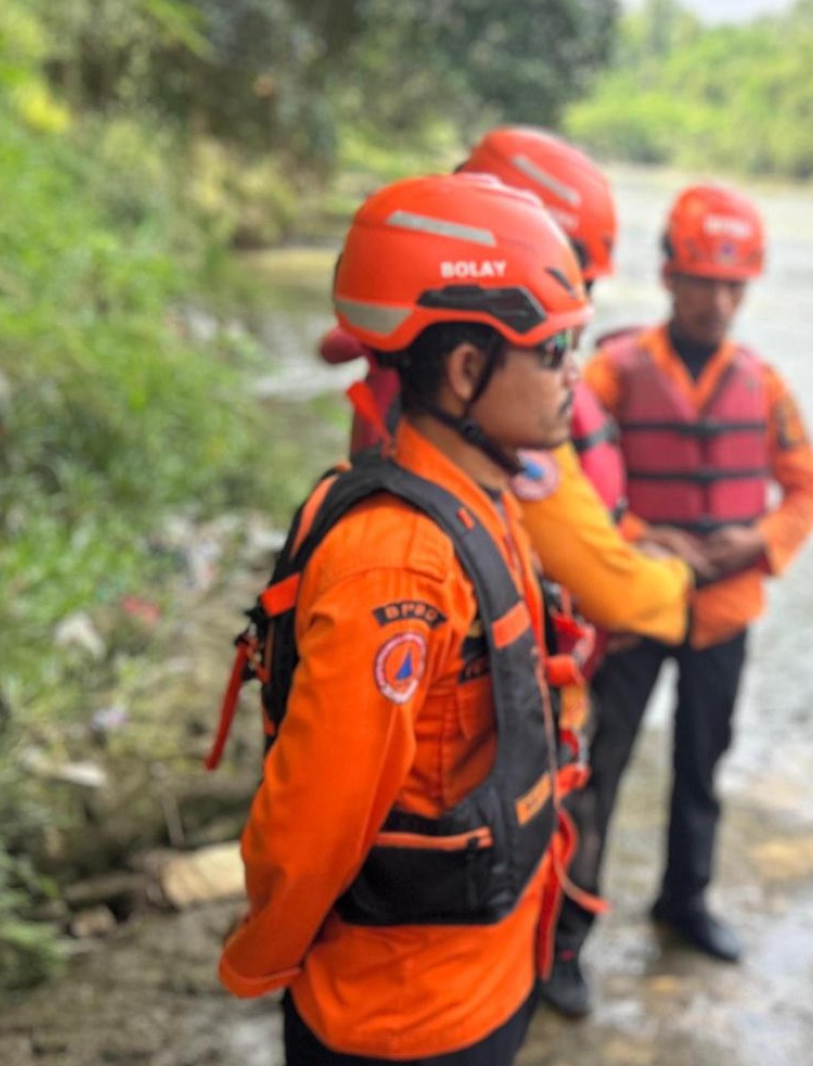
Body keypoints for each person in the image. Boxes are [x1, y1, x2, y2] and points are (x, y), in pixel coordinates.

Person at [216, 172, 591, 1065]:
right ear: (466, 370)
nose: (577, 372)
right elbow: (315, 818)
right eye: (554, 352)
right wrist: (260, 959)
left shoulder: (484, 499)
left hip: (485, 972)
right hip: (402, 1017)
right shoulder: (398, 557)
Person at [553, 182, 813, 1008]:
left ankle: (685, 901)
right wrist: (637, 531)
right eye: (703, 280)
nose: (719, 300)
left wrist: (762, 542)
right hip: (635, 608)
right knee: (596, 767)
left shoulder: (765, 384)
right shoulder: (614, 370)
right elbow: (575, 481)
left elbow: (805, 490)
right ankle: (564, 937)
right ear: (669, 277)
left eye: (734, 284)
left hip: (724, 613)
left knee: (701, 766)